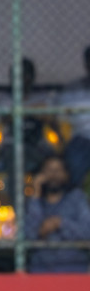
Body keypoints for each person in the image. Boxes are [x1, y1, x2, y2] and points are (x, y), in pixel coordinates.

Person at [23, 154, 90, 272]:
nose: (53, 175)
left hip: (73, 270)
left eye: (58, 170)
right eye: (48, 170)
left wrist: (60, 223)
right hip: (41, 272)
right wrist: (35, 195)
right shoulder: (33, 202)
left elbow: (87, 232)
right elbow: (27, 236)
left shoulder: (77, 199)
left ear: (66, 175)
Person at [57, 46, 90, 186]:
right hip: (81, 139)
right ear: (86, 64)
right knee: (74, 164)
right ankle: (74, 200)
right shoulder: (73, 90)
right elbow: (60, 118)